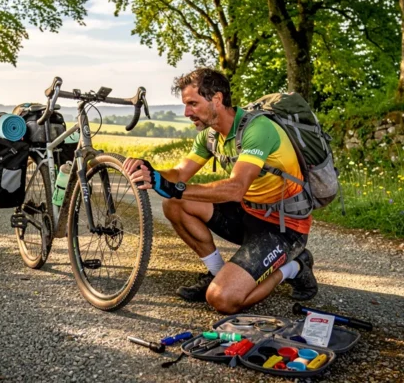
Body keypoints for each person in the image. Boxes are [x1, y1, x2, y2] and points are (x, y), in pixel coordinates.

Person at [124, 68, 318, 314]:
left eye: (193, 103)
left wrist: (175, 188)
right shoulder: (210, 136)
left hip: (283, 228)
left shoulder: (258, 129)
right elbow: (180, 173)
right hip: (248, 214)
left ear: (217, 98)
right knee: (173, 204)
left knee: (222, 300)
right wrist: (150, 171)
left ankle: (296, 266)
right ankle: (216, 272)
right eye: (185, 105)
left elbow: (236, 188)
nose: (186, 112)